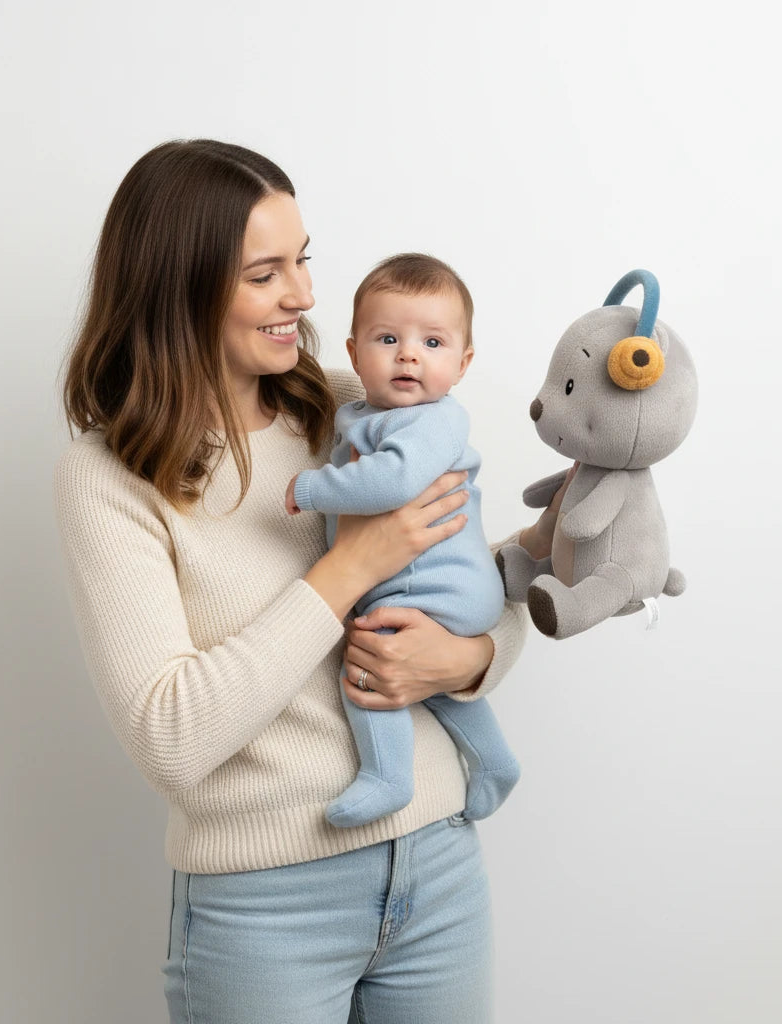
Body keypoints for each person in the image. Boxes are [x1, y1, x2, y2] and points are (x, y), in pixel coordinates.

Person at [55, 139, 563, 1024]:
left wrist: (467, 660)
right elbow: (169, 738)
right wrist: (347, 569)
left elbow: (467, 580)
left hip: (439, 867)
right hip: (266, 910)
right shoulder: (110, 477)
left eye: (303, 259)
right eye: (266, 274)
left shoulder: (354, 410)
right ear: (182, 288)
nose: (305, 295)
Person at [286, 253, 520, 830]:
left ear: (463, 363)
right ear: (354, 353)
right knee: (427, 680)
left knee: (370, 660)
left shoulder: (435, 420)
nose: (409, 355)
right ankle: (494, 763)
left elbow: (391, 481)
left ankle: (387, 776)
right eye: (387, 338)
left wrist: (312, 488)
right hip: (435, 586)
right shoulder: (363, 411)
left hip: (436, 587)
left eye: (432, 343)